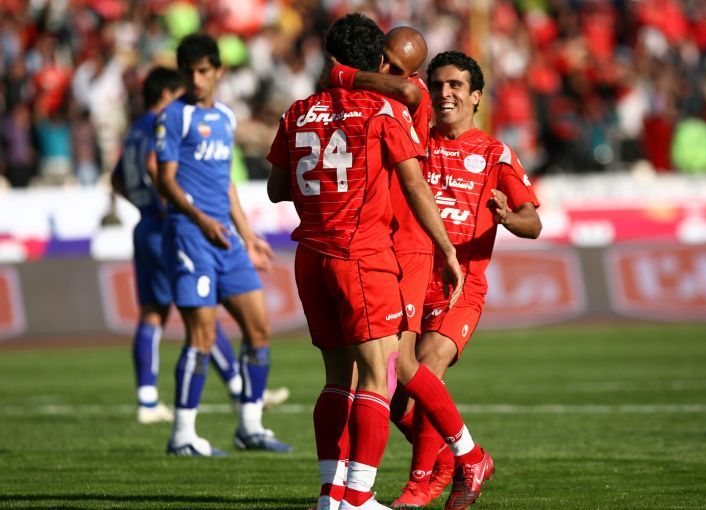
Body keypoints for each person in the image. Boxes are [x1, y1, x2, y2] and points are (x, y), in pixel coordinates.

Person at [266, 14, 463, 510]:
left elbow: (276, 189)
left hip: (310, 256)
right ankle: (358, 497)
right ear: (376, 61)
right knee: (379, 374)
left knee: (337, 379)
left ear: (331, 57)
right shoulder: (382, 110)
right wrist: (446, 248)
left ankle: (330, 496)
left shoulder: (296, 112)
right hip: (360, 255)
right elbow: (414, 185)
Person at [326, 29, 497, 510]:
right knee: (377, 380)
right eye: (382, 61)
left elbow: (401, 88)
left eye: (393, 67)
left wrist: (341, 75)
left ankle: (466, 456)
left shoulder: (411, 92)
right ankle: (352, 488)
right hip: (382, 242)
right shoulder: (380, 101)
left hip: (410, 246)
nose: (383, 71)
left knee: (400, 365)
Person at [408, 51, 542, 509]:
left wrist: (507, 217)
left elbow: (532, 223)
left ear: (477, 95)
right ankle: (458, 457)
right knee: (395, 396)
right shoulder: (414, 143)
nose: (445, 93)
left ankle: (420, 483)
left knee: (426, 366)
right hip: (409, 281)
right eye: (437, 85)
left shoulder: (494, 153)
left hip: (460, 288)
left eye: (456, 85)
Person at [155, 34, 291, 455]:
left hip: (226, 239)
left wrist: (247, 235)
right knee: (202, 333)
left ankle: (250, 426)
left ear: (218, 71)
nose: (196, 80)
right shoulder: (174, 117)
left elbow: (225, 181)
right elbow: (165, 180)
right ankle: (182, 435)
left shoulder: (227, 117)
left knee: (259, 327)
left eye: (203, 71)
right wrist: (201, 219)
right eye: (189, 73)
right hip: (190, 235)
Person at [111, 66, 250, 424]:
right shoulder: (163, 121)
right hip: (166, 226)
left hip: (145, 225)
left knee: (153, 314)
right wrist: (168, 205)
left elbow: (117, 178)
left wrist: (143, 204)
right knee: (200, 311)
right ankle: (239, 388)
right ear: (166, 94)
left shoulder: (134, 130)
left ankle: (147, 399)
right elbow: (153, 164)